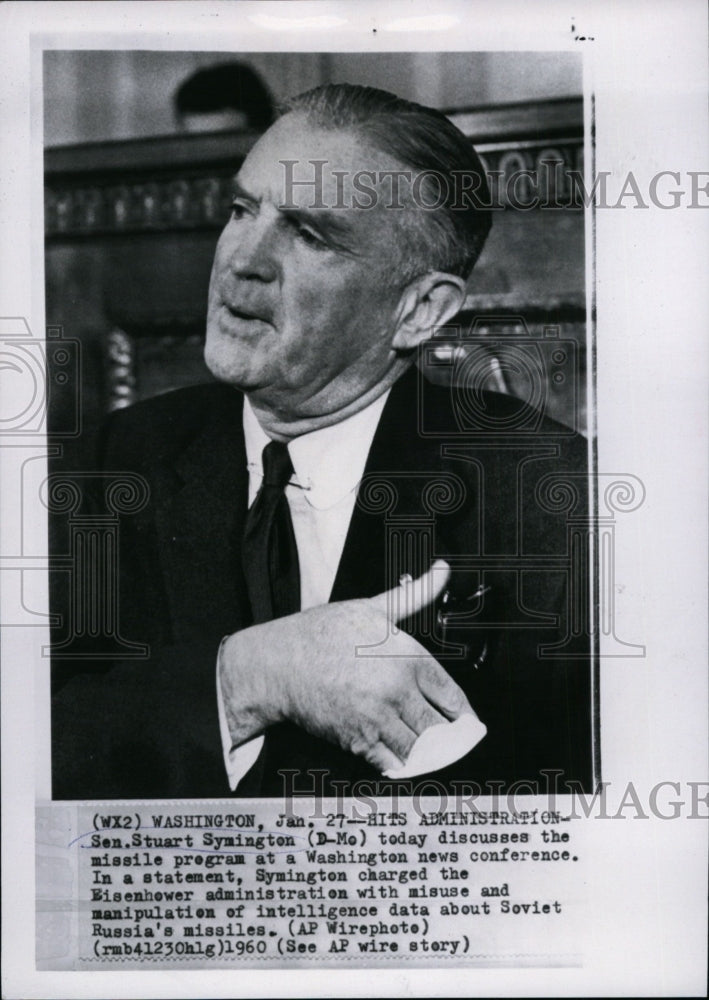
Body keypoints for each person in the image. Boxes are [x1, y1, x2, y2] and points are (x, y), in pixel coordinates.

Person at [51, 84, 592, 800]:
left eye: (309, 235)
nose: (242, 259)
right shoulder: (115, 460)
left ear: (417, 310)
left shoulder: (543, 492)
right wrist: (249, 678)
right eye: (242, 210)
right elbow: (32, 751)